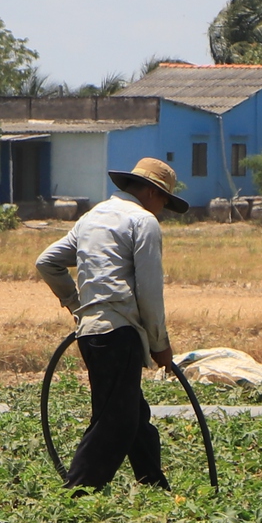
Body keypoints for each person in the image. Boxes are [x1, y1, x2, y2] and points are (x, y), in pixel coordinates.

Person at [33, 156, 190, 490]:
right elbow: (149, 293)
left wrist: (79, 306)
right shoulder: (142, 221)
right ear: (150, 192)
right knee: (116, 421)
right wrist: (160, 344)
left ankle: (154, 486)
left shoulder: (93, 218)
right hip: (120, 334)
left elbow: (47, 262)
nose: (162, 208)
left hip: (91, 333)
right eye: (163, 200)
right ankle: (76, 493)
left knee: (132, 413)